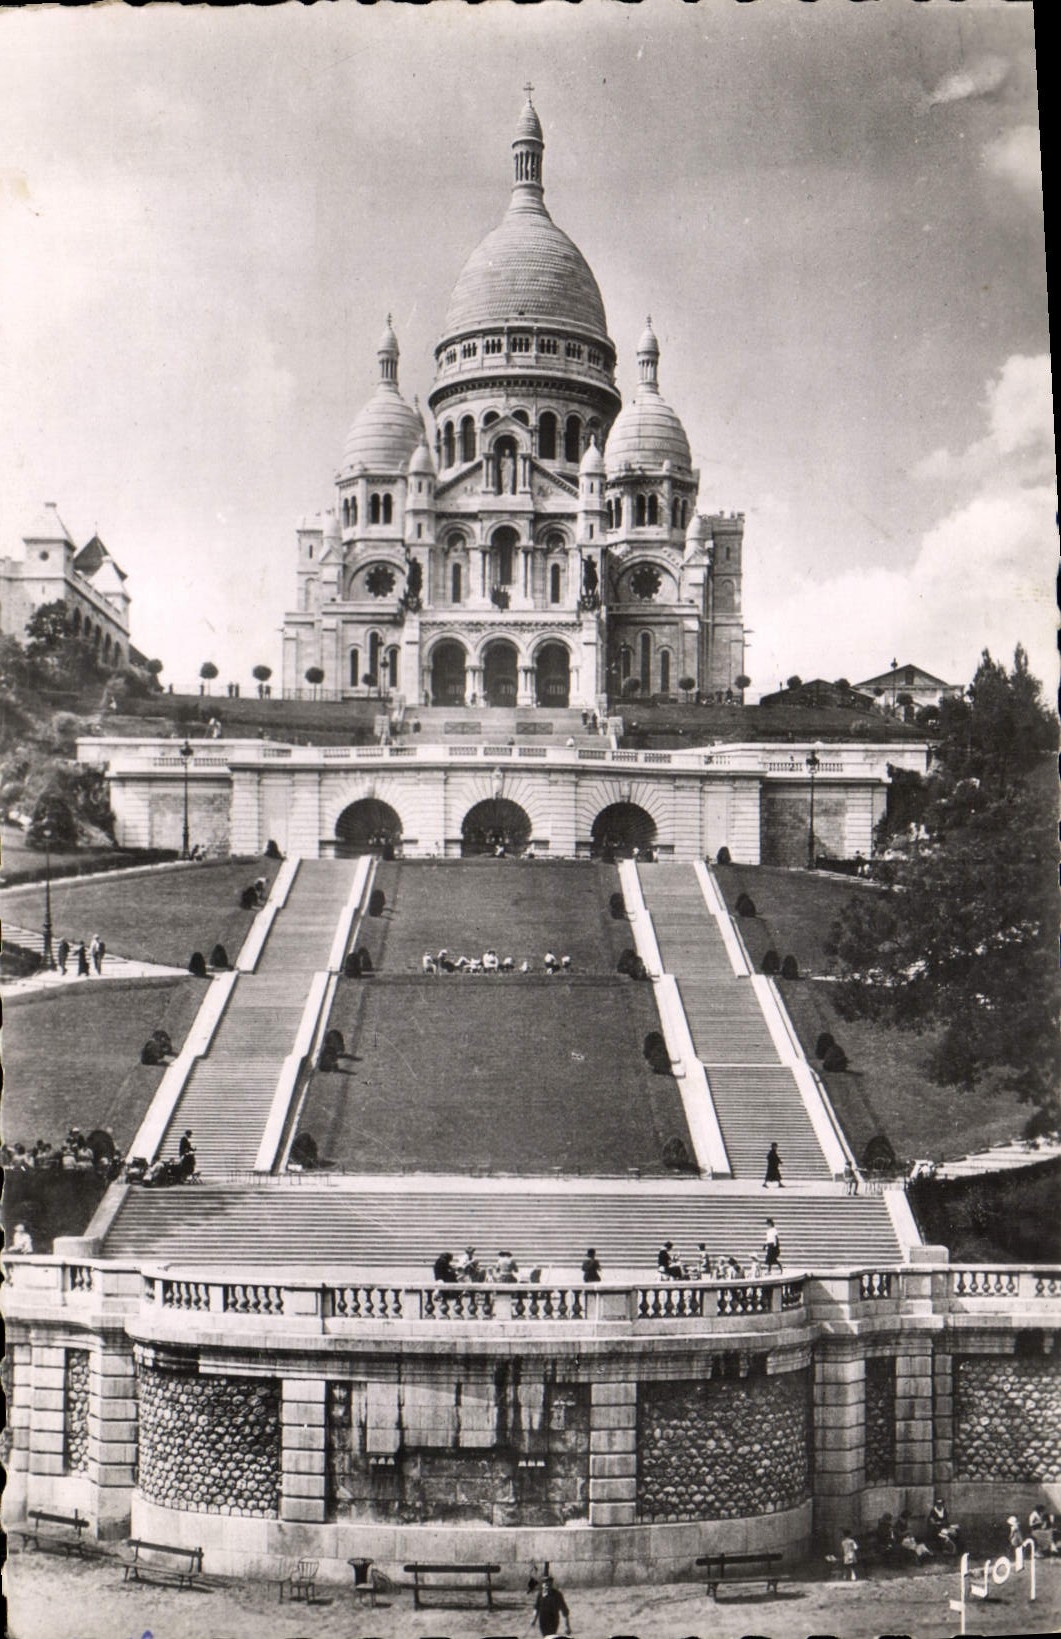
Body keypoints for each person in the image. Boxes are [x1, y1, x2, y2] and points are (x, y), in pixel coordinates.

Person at [528, 1572, 570, 1638]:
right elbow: (536, 1608)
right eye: (545, 1583)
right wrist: (533, 1619)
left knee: (550, 1636)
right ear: (542, 1585)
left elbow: (565, 1611)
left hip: (553, 1620)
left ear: (552, 1584)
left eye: (549, 1584)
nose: (547, 1585)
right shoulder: (540, 1595)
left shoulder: (557, 1595)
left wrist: (567, 1626)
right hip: (542, 1621)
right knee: (545, 1636)